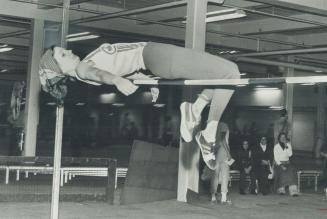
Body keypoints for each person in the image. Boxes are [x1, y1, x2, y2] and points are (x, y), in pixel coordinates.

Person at [38, 42, 240, 169]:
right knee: (230, 73)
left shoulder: (87, 64)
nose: (69, 50)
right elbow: (100, 74)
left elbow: (124, 65)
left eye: (64, 49)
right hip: (153, 54)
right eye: (62, 55)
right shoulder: (83, 69)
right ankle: (208, 132)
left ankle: (195, 110)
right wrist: (116, 80)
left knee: (223, 74)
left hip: (152, 60)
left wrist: (147, 81)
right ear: (60, 70)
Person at [209, 122, 234, 204]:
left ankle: (213, 197)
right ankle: (223, 198)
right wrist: (228, 153)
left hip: (215, 153)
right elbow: (223, 140)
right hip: (223, 153)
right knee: (225, 176)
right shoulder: (223, 125)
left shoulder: (214, 125)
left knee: (215, 176)